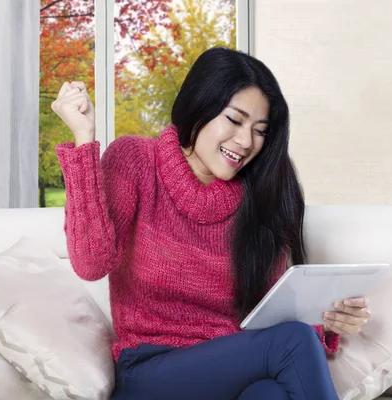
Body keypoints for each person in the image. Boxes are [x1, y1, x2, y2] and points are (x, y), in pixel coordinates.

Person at [51, 47, 371, 400]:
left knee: (269, 394)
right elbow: (90, 263)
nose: (246, 142)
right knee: (295, 340)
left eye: (260, 130)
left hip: (233, 371)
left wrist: (326, 322)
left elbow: (265, 319)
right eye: (234, 120)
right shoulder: (135, 161)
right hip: (150, 373)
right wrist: (84, 141)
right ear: (200, 104)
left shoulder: (264, 197)